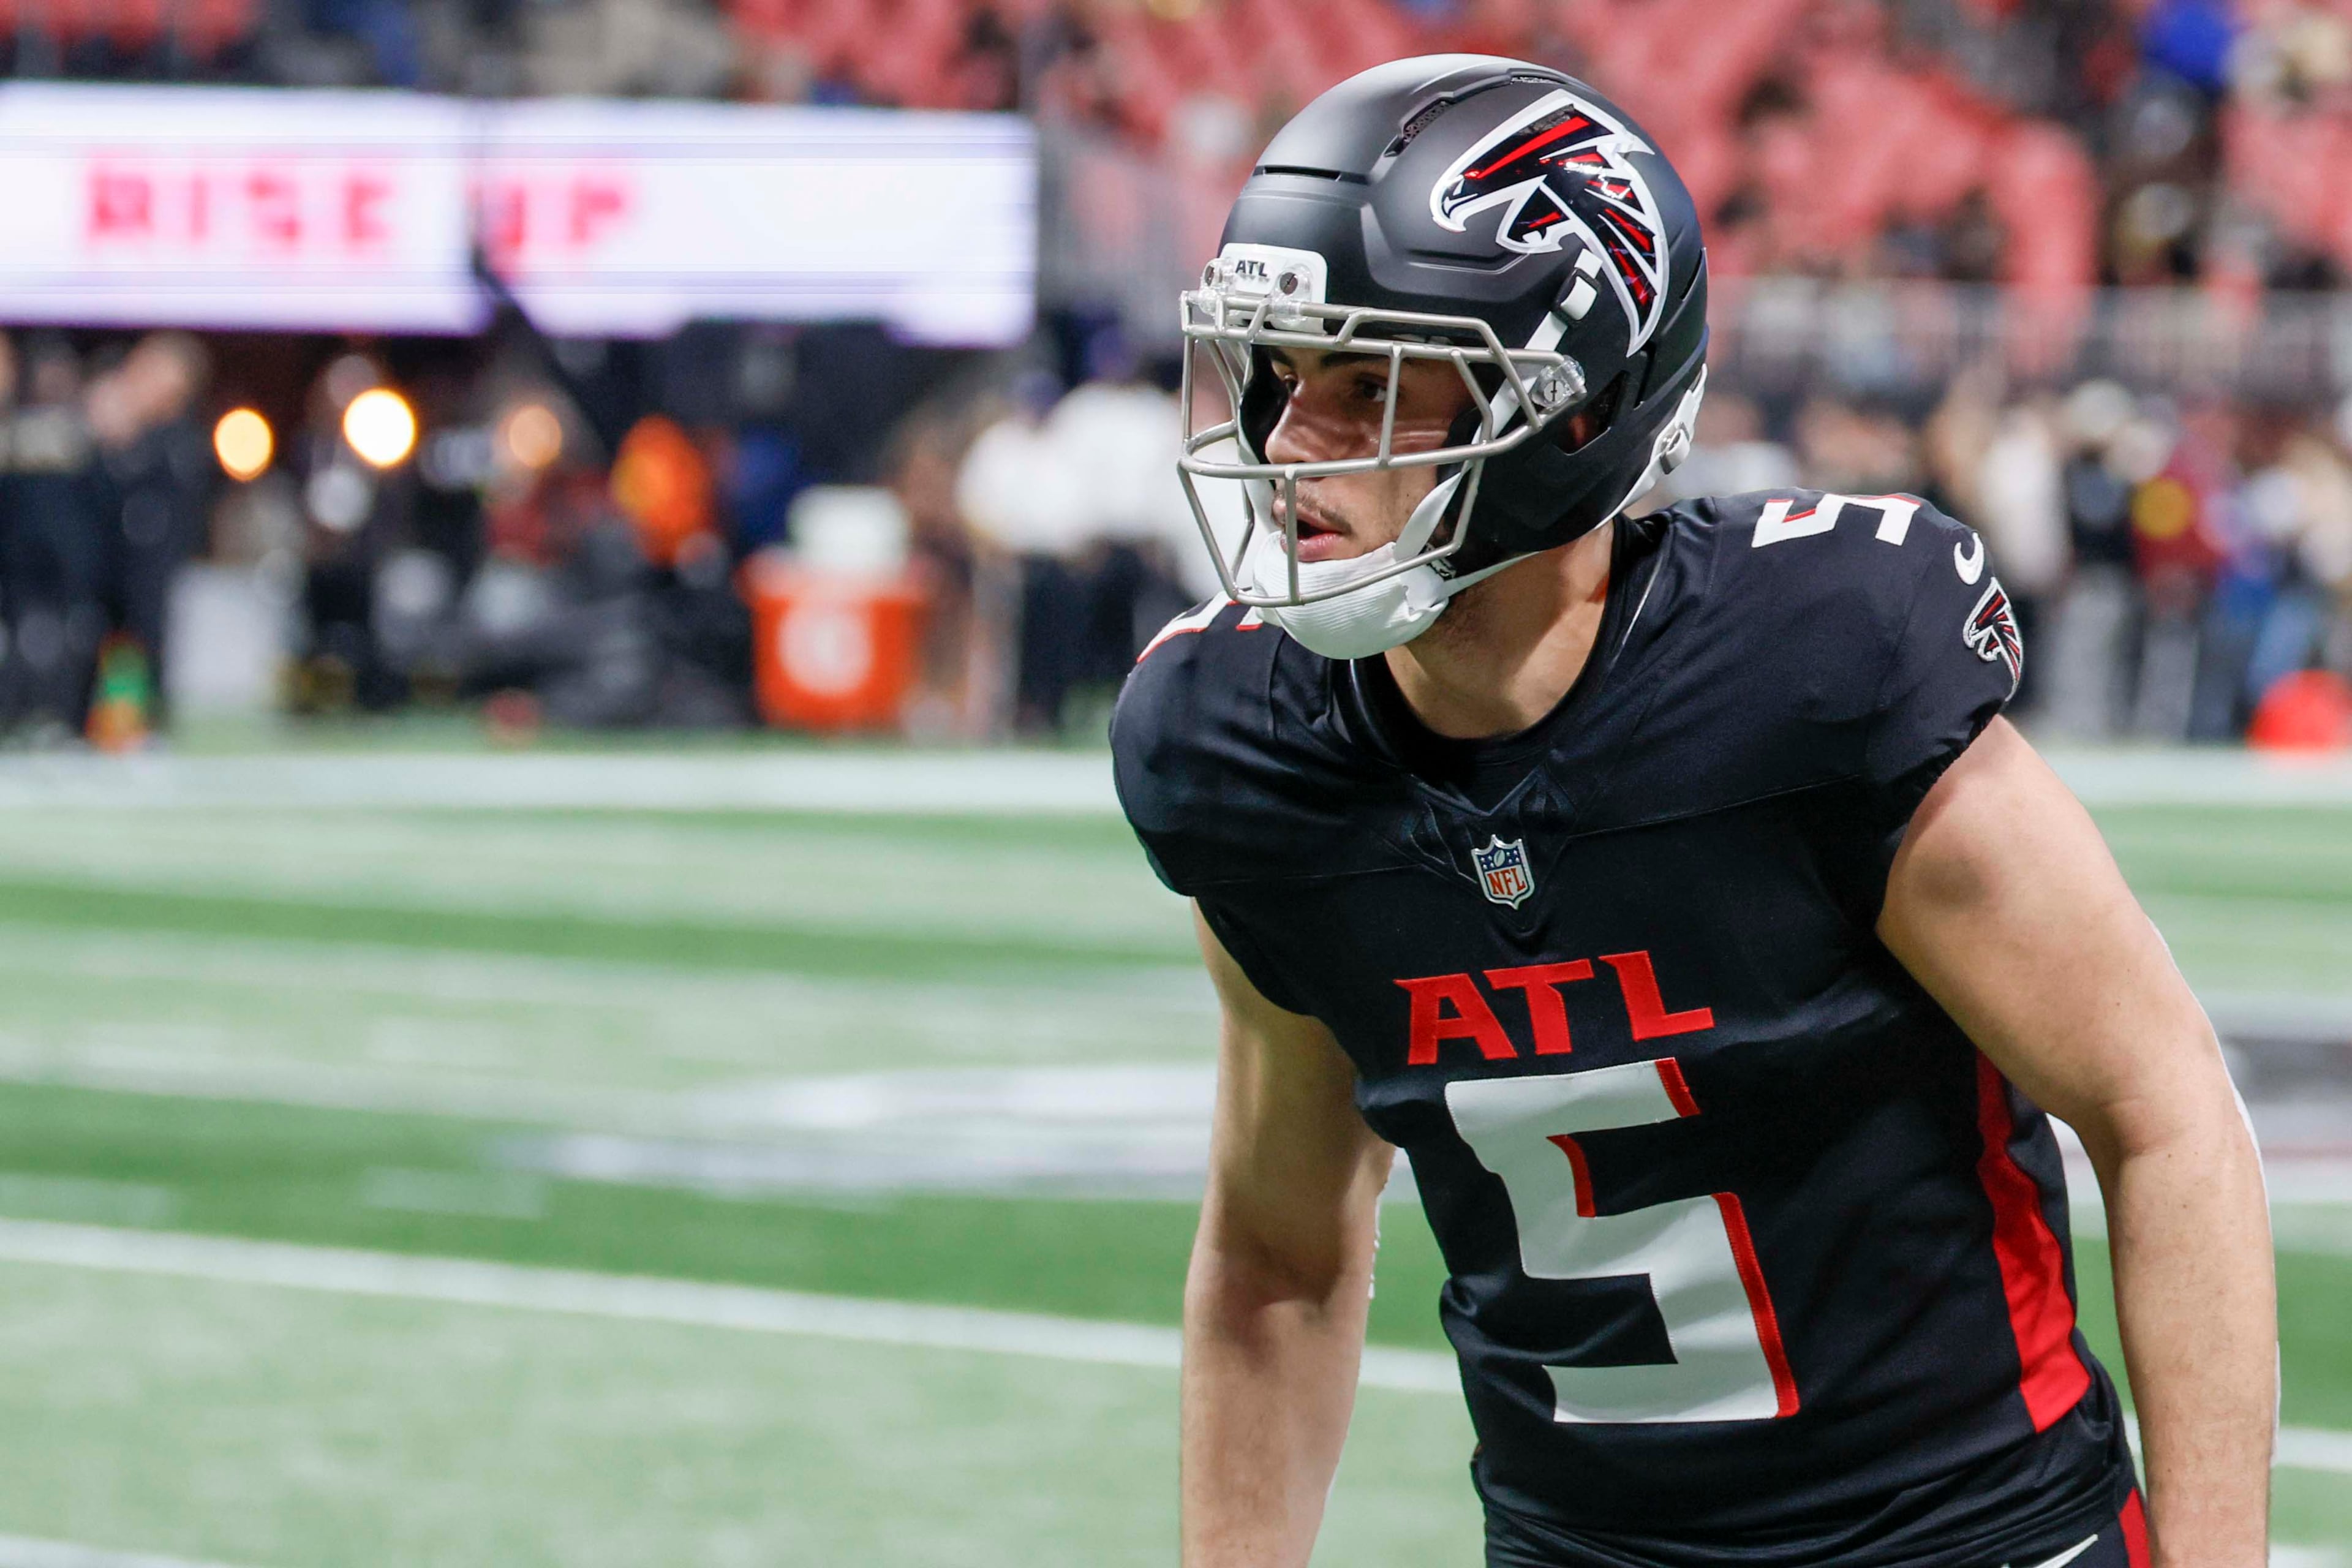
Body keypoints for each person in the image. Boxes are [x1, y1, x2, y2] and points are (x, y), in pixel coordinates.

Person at [1110, 57, 2274, 1568]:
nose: (1287, 448)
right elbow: (1275, 1251)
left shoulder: (1819, 670)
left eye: (1371, 381)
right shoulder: (1242, 753)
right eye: (1279, 377)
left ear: (1569, 405)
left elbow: (2163, 1106)